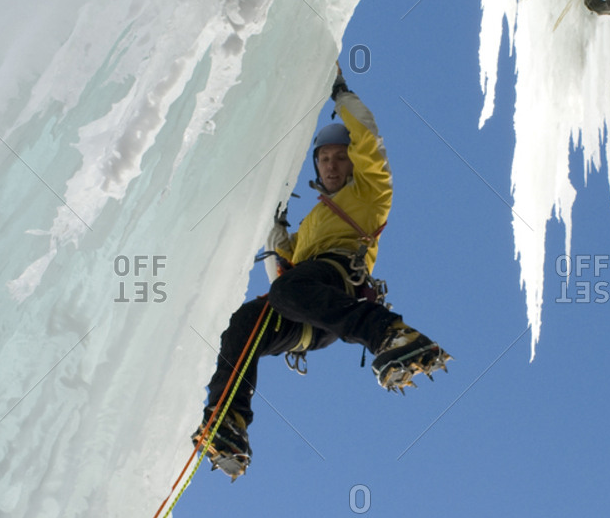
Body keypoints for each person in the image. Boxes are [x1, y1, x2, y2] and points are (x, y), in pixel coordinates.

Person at [192, 64, 449, 478]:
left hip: (336, 284)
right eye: (324, 159)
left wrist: (341, 96)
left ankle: (388, 333)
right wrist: (273, 225)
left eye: (339, 158)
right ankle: (228, 421)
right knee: (244, 322)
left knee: (290, 291)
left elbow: (369, 138)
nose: (331, 166)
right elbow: (282, 266)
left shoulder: (370, 193)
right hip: (308, 309)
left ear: (352, 164)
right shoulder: (312, 222)